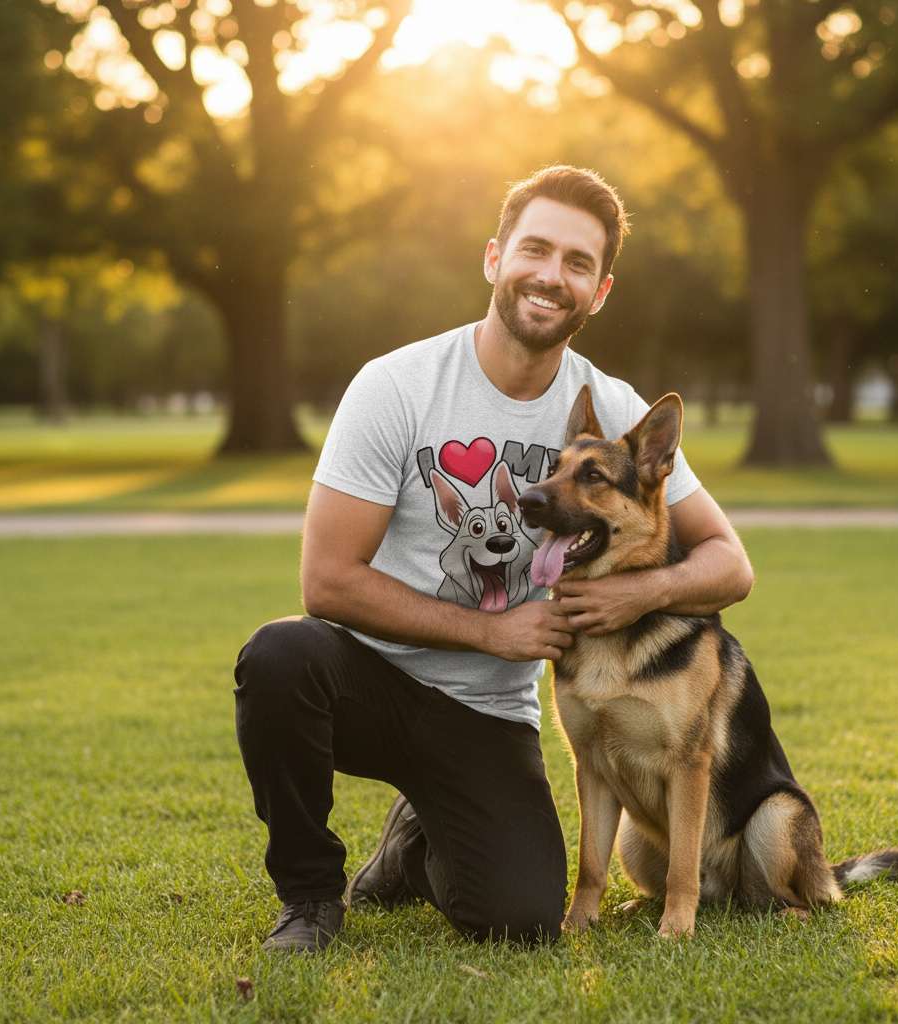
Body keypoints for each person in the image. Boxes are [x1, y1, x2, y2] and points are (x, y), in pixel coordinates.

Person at [234, 166, 754, 953]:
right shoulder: (396, 386)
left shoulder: (605, 406)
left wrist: (637, 595)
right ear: (493, 258)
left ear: (600, 290)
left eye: (577, 263)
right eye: (535, 250)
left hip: (484, 718)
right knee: (278, 657)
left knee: (517, 919)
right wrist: (492, 633)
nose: (552, 276)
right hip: (368, 681)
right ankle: (309, 897)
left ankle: (415, 843)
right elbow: (326, 581)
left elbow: (729, 564)